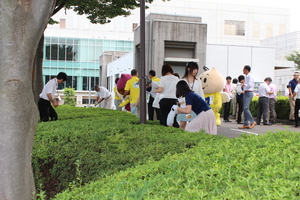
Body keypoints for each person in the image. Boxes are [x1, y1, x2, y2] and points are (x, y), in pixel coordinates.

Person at [177, 62, 204, 129]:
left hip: (195, 107)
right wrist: (182, 104)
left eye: (197, 69)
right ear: (188, 69)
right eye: (194, 69)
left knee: (195, 125)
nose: (196, 71)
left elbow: (201, 93)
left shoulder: (198, 81)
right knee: (182, 125)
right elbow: (179, 94)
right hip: (185, 106)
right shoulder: (182, 80)